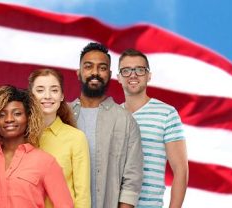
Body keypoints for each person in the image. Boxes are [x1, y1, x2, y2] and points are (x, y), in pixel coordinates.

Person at [0, 85, 73, 208]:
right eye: (1, 114)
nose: (9, 119)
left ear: (29, 117)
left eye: (17, 113)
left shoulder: (46, 162)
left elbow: (65, 205)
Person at [71, 42, 143, 208]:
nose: (95, 72)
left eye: (102, 68)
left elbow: (132, 181)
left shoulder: (125, 121)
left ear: (109, 74)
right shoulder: (61, 115)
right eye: (88, 66)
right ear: (79, 73)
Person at [117, 48, 188, 208]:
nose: (133, 75)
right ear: (119, 78)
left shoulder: (166, 113)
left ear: (149, 76)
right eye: (126, 70)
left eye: (140, 70)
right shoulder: (112, 116)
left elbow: (181, 170)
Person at [29, 69, 91, 208]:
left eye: (54, 90)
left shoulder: (76, 138)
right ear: (31, 96)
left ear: (62, 96)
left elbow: (82, 195)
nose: (47, 96)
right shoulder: (21, 137)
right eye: (40, 90)